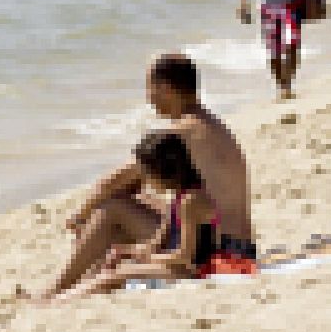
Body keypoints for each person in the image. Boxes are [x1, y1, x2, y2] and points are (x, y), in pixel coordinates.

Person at [40, 54, 254, 299]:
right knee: (131, 201)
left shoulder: (181, 132)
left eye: (149, 88)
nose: (148, 97)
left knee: (112, 209)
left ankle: (55, 291)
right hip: (238, 245)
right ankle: (90, 280)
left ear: (164, 88)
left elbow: (111, 182)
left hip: (214, 252)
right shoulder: (208, 124)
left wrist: (79, 217)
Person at [57, 132, 222, 299]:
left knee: (110, 278)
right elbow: (157, 242)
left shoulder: (191, 201)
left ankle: (54, 302)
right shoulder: (179, 197)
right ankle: (61, 295)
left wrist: (147, 258)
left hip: (187, 271)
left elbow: (185, 256)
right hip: (175, 262)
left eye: (147, 174)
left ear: (163, 171)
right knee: (116, 268)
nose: (146, 181)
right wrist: (125, 252)